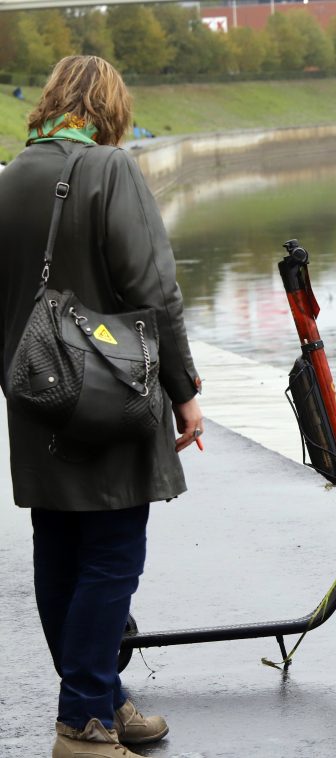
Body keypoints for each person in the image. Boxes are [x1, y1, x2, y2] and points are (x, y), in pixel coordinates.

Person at [0, 56, 203, 758]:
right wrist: (184, 390)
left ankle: (103, 701)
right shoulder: (111, 170)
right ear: (109, 108)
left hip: (32, 393)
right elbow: (154, 291)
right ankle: (84, 721)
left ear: (53, 100)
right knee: (112, 555)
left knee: (59, 550)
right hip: (106, 390)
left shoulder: (9, 175)